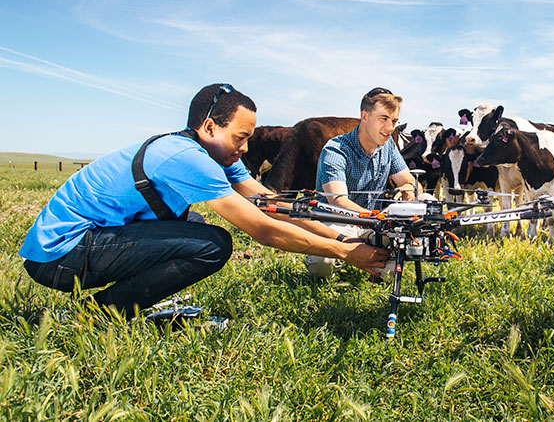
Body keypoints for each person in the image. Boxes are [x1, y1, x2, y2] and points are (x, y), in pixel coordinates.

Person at [18, 83, 388, 316]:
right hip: (59, 255)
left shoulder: (213, 154)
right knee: (212, 244)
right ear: (209, 127)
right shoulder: (186, 158)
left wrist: (342, 236)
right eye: (240, 138)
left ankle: (124, 304)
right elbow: (263, 229)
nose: (245, 149)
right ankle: (100, 313)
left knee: (193, 227)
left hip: (84, 244)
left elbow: (269, 203)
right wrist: (344, 255)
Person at [305, 87, 416, 277]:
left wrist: (408, 191)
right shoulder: (335, 150)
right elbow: (338, 201)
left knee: (424, 199)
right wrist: (379, 219)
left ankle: (373, 258)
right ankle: (348, 257)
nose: (390, 128)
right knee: (321, 265)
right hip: (336, 222)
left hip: (373, 225)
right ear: (364, 116)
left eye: (394, 121)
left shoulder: (388, 146)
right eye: (383, 119)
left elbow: (408, 180)